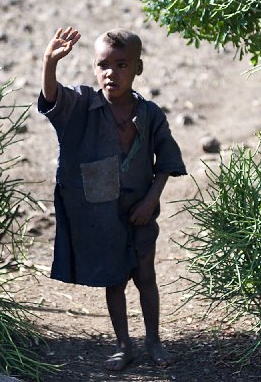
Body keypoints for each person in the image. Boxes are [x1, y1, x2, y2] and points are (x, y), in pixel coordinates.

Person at [38, 26, 186, 371]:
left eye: (122, 65)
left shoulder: (149, 114)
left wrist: (151, 200)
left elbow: (166, 160)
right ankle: (124, 345)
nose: (112, 73)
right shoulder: (83, 105)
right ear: (93, 67)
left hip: (141, 210)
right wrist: (49, 63)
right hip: (101, 212)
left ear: (138, 68)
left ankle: (154, 341)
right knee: (114, 279)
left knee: (145, 275)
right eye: (104, 65)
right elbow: (52, 98)